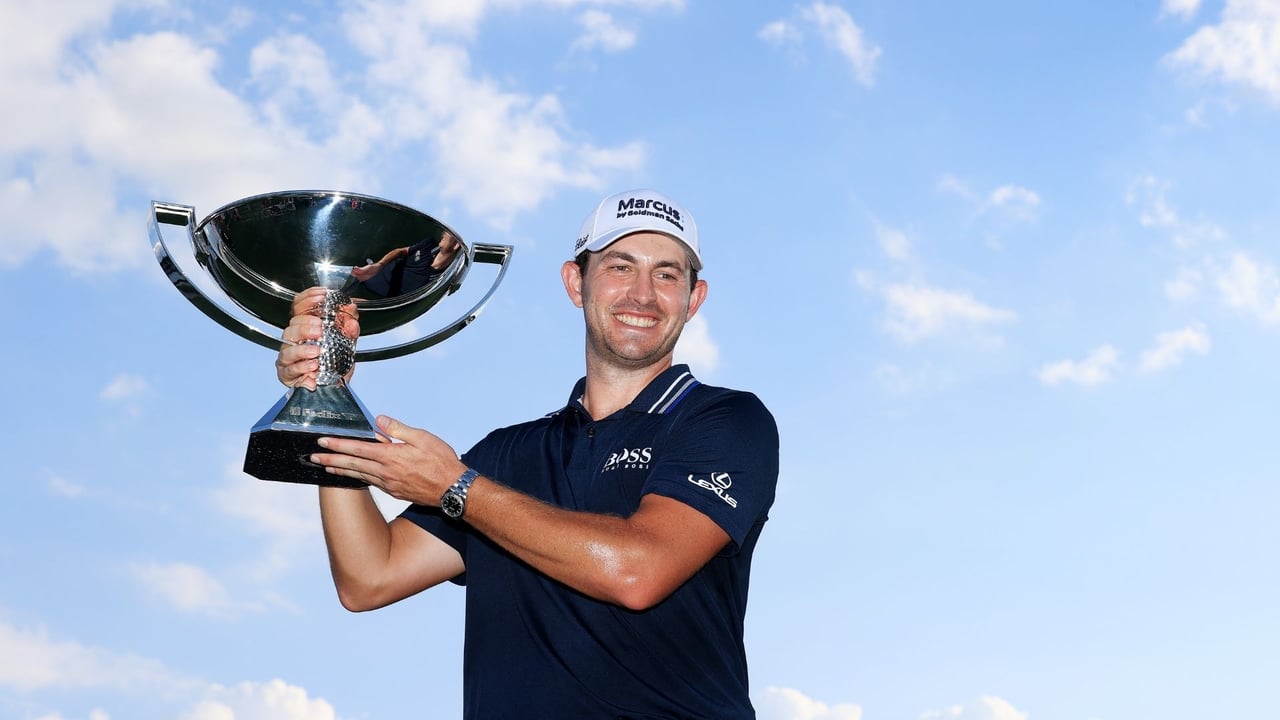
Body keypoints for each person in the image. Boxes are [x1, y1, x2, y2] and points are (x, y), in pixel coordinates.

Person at [275, 189, 779, 719]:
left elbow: (639, 571)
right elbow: (369, 576)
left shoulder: (724, 421)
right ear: (575, 282)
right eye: (619, 266)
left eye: (667, 275)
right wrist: (325, 394)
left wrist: (457, 489)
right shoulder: (505, 455)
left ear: (693, 300)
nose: (643, 294)